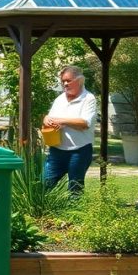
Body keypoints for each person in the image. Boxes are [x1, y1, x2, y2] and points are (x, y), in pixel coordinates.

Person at [42, 65, 97, 194]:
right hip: (57, 151)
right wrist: (46, 119)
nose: (65, 84)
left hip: (79, 152)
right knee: (43, 185)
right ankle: (39, 213)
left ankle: (74, 214)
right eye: (63, 81)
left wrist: (61, 121)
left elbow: (84, 123)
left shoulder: (89, 99)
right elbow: (50, 118)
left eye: (68, 80)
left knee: (75, 190)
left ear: (80, 81)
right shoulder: (59, 99)